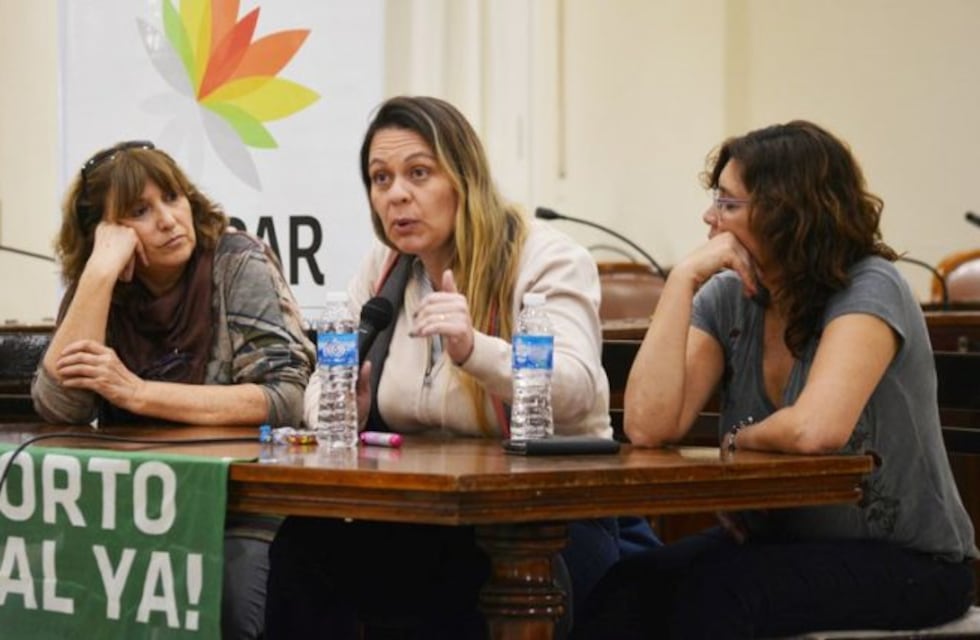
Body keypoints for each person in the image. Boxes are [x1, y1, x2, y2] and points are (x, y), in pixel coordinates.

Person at [265, 95, 658, 639]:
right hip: (427, 514)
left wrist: (476, 350)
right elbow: (320, 387)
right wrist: (344, 409)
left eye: (418, 173)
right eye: (381, 179)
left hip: (545, 521)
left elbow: (576, 389)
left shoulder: (544, 257)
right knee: (306, 546)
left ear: (464, 178)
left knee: (455, 581)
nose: (396, 194)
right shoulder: (383, 270)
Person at [572, 121, 978, 639]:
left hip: (911, 560)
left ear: (788, 212)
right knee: (625, 589)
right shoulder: (728, 296)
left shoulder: (870, 286)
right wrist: (680, 282)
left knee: (719, 599)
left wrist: (737, 440)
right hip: (780, 547)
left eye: (728, 203)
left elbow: (816, 431)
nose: (710, 216)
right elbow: (650, 426)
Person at [31, 141, 316, 639]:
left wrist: (139, 393)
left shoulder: (236, 261)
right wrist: (97, 273)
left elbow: (283, 397)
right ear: (106, 231)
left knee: (232, 598)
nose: (168, 219)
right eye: (140, 211)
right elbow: (60, 407)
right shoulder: (103, 282)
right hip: (136, 504)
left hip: (239, 503)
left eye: (173, 197)